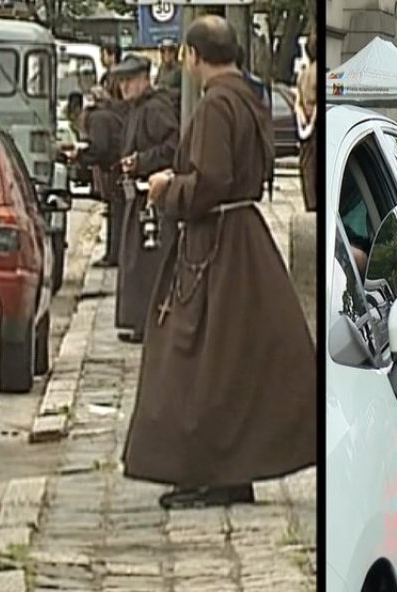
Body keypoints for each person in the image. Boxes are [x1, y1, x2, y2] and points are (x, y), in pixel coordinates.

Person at [122, 15, 316, 509]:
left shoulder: (215, 105)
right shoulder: (249, 97)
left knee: (199, 362)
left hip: (216, 247)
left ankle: (209, 470)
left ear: (192, 55)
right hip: (243, 238)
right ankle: (231, 471)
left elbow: (210, 182)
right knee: (231, 361)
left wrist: (166, 189)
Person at [113, 54, 179, 343]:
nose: (124, 86)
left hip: (152, 196)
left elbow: (172, 146)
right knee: (134, 262)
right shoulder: (134, 110)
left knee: (148, 263)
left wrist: (142, 161)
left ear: (143, 79)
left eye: (129, 80)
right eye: (121, 81)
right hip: (136, 195)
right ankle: (136, 320)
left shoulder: (155, 109)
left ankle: (149, 321)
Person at [73, 77, 128, 268]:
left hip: (118, 168)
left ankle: (114, 255)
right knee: (115, 212)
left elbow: (100, 149)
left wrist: (80, 156)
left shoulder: (96, 120)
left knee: (117, 213)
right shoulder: (102, 116)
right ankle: (115, 254)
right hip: (117, 167)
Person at [295, 32, 317, 211]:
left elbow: (299, 103)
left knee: (307, 170)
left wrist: (304, 121)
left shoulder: (303, 75)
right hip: (315, 128)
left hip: (307, 129)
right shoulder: (318, 72)